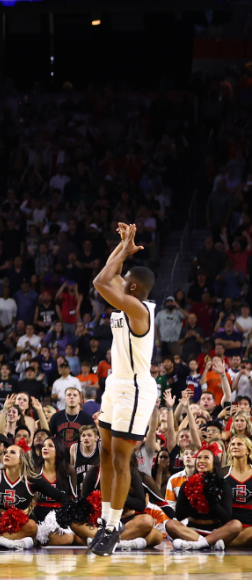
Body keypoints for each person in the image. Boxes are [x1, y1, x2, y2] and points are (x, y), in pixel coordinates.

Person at [88, 222, 158, 556]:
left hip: (135, 389)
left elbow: (101, 280)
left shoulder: (138, 309)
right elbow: (109, 275)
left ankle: (114, 527)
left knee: (120, 458)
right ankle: (105, 520)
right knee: (104, 454)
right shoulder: (126, 300)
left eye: (125, 277)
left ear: (132, 286)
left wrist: (124, 250)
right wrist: (124, 246)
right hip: (116, 384)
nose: (120, 278)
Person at [0, 445, 66, 551]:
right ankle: (8, 543)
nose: (6, 454)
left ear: (21, 460)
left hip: (19, 527)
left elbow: (60, 496)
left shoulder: (32, 479)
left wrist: (70, 511)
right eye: (6, 452)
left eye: (12, 452)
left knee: (31, 526)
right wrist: (2, 523)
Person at [167, 448, 242, 550]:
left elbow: (226, 517)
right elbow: (179, 515)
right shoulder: (186, 484)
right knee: (170, 524)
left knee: (236, 525)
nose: (201, 461)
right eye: (199, 458)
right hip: (192, 531)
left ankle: (197, 544)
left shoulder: (223, 485)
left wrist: (210, 502)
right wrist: (196, 502)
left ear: (214, 462)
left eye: (206, 458)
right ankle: (208, 543)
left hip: (215, 531)